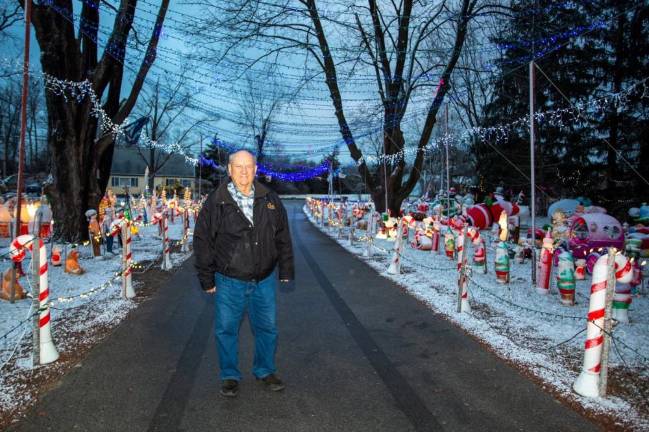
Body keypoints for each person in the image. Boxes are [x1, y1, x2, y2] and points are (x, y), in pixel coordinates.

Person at [193, 150, 294, 398]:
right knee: (226, 329)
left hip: (264, 279)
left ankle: (265, 370)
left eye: (248, 166)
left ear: (256, 169)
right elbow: (203, 240)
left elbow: (282, 236)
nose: (244, 172)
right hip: (229, 280)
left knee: (267, 328)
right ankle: (229, 375)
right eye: (238, 167)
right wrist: (206, 278)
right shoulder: (216, 200)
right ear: (229, 170)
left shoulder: (270, 198)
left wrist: (286, 269)